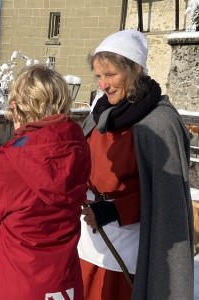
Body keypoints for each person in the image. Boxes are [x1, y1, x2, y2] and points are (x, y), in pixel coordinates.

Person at [78, 29, 194, 299]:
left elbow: (166, 198)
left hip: (130, 247)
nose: (103, 85)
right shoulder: (100, 114)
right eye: (98, 76)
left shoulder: (160, 122)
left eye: (110, 75)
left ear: (135, 69)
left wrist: (115, 210)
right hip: (88, 239)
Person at [0, 64, 91, 300]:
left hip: (21, 283)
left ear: (17, 106)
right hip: (63, 282)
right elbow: (41, 163)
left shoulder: (10, 162)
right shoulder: (78, 146)